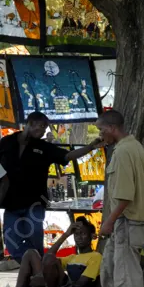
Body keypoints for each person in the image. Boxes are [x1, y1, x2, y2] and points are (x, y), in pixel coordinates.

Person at [0, 111, 102, 262]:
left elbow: (68, 156)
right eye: (41, 127)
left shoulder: (44, 147)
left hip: (34, 203)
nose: (43, 132)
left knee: (34, 238)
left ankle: (38, 270)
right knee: (11, 241)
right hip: (11, 203)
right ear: (30, 123)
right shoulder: (7, 142)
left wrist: (91, 147)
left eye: (45, 128)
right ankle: (32, 266)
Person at [96, 110, 144, 287]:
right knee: (111, 268)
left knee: (126, 277)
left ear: (112, 128)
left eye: (101, 130)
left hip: (128, 222)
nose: (100, 135)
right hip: (132, 222)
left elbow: (125, 195)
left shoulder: (123, 151)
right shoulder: (135, 146)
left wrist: (109, 221)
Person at [15, 217, 102, 287]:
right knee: (30, 253)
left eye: (83, 234)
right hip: (54, 285)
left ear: (92, 236)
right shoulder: (72, 258)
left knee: (50, 259)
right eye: (76, 234)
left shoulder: (96, 256)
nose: (79, 237)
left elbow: (79, 285)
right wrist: (66, 234)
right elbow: (46, 259)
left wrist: (42, 280)